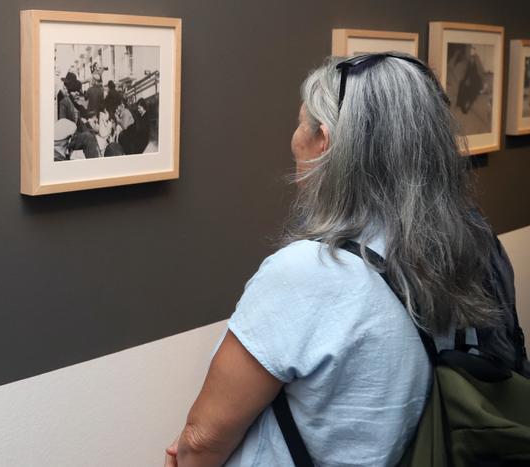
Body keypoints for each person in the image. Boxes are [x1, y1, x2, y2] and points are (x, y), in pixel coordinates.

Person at [166, 54, 522, 466]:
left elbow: (203, 438)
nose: (294, 138)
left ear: (325, 142)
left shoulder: (308, 273)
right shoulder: (468, 246)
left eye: (301, 123)